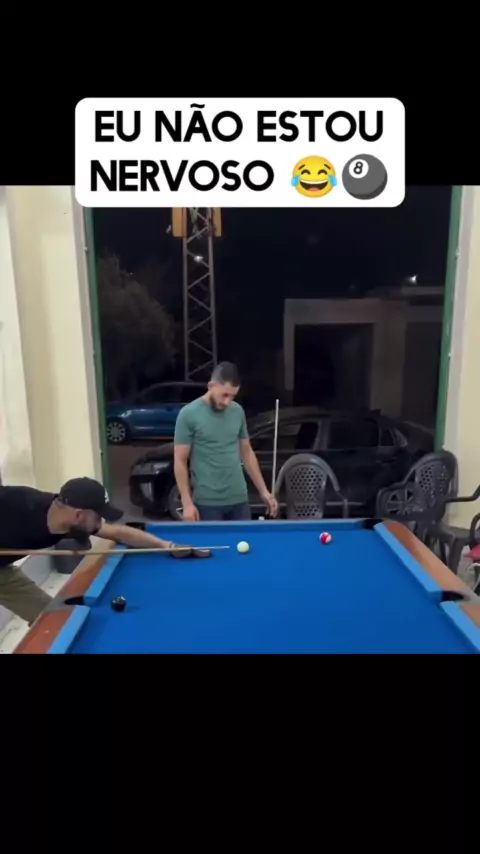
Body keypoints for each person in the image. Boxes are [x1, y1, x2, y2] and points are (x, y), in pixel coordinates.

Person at [0, 476, 204, 626]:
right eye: (98, 517)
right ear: (79, 514)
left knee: (51, 621)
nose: (101, 522)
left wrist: (166, 545)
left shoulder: (67, 519)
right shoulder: (18, 505)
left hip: (3, 573)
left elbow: (118, 533)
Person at [174, 362, 278, 522]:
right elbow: (180, 461)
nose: (227, 402)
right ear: (211, 386)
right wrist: (187, 503)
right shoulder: (188, 414)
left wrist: (264, 491)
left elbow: (247, 452)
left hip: (240, 499)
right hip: (207, 503)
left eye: (233, 396)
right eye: (224, 395)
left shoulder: (237, 412)